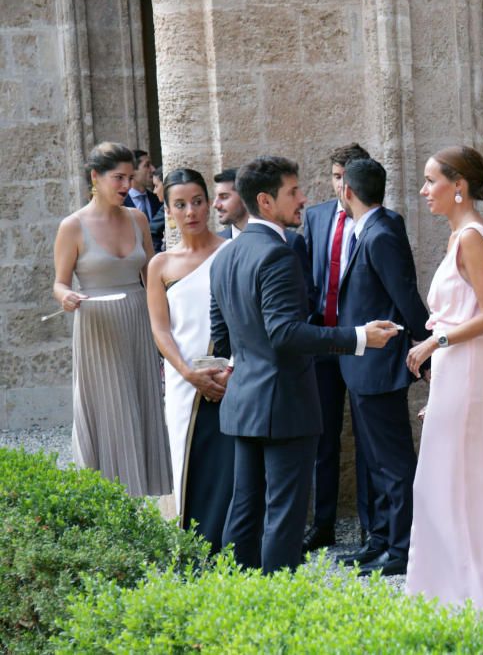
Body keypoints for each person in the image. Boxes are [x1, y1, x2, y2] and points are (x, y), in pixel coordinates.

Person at [209, 155, 398, 573]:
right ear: (265, 200)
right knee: (285, 513)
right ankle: (279, 608)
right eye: (293, 192)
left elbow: (222, 335)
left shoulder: (224, 256)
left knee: (244, 507)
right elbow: (285, 334)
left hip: (244, 401)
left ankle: (230, 600)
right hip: (284, 402)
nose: (303, 200)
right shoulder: (277, 254)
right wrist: (359, 336)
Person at [404, 146, 483, 620]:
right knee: (445, 482)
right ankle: (449, 592)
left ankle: (476, 597)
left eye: (432, 181)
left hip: (469, 364)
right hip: (460, 369)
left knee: (464, 483)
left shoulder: (471, 237)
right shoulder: (462, 236)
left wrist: (435, 343)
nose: (425, 191)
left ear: (459, 187)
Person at [52, 141, 171, 496]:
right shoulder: (72, 226)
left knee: (141, 404)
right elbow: (59, 282)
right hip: (97, 325)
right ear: (95, 177)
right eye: (118, 177)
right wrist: (66, 297)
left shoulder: (137, 218)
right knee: (108, 410)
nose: (125, 185)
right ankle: (108, 494)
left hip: (137, 318)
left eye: (130, 177)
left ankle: (143, 491)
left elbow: (150, 273)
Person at [333, 158, 430, 577]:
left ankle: (404, 545)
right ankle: (381, 539)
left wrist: (425, 342)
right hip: (360, 365)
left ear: (348, 192)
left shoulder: (381, 233)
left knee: (392, 462)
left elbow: (405, 296)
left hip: (379, 363)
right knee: (374, 460)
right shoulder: (371, 226)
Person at [146, 168, 233, 553]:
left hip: (231, 377)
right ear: (168, 210)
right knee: (187, 462)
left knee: (229, 466)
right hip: (184, 384)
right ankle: (189, 551)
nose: (191, 211)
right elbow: (161, 330)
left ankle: (231, 551)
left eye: (197, 201)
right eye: (180, 204)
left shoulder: (232, 251)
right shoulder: (160, 265)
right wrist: (188, 373)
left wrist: (229, 370)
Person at [299, 143, 377, 553]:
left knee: (367, 440)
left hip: (365, 344)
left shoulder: (379, 221)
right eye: (335, 176)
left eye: (346, 177)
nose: (340, 185)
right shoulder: (314, 218)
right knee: (323, 438)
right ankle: (323, 523)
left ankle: (371, 526)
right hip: (324, 343)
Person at [213, 168, 311, 282]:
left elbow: (305, 295)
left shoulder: (291, 242)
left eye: (224, 197)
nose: (216, 204)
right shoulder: (217, 244)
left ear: (244, 196)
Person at [123, 148, 165, 252]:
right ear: (132, 171)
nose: (153, 169)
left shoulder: (158, 198)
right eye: (147, 165)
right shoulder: (120, 203)